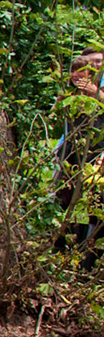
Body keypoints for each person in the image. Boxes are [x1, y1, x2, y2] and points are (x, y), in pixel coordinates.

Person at [54, 49, 104, 267]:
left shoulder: (99, 92)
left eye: (98, 63)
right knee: (65, 201)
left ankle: (89, 261)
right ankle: (60, 251)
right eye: (89, 64)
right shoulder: (69, 95)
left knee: (95, 207)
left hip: (96, 158)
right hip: (70, 157)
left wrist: (95, 94)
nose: (93, 67)